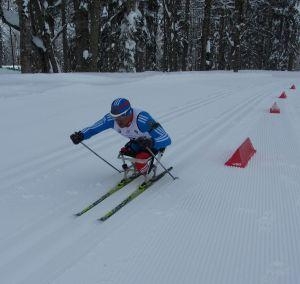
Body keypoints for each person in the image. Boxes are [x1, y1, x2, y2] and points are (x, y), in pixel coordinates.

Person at [70, 98, 171, 178]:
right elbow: (94, 129)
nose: (117, 121)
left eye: (120, 117)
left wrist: (151, 142)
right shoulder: (111, 119)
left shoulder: (142, 119)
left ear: (129, 113)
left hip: (153, 144)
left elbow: (166, 138)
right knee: (123, 152)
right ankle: (139, 165)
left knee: (140, 160)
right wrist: (81, 135)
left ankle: (144, 171)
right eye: (114, 117)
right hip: (137, 141)